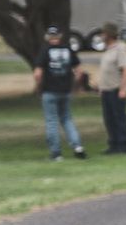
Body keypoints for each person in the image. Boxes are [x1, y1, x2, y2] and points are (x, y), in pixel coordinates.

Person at [32, 26, 87, 161]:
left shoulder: (45, 50)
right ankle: (77, 146)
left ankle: (56, 153)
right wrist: (75, 86)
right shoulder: (68, 49)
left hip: (50, 91)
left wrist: (39, 87)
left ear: (48, 37)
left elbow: (38, 74)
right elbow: (79, 72)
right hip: (65, 91)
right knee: (67, 119)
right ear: (60, 36)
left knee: (51, 121)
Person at [97, 22, 126, 154]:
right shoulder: (108, 49)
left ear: (109, 34)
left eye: (103, 33)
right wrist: (101, 87)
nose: (101, 35)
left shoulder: (120, 48)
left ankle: (123, 144)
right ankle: (113, 144)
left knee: (119, 118)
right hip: (106, 90)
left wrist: (123, 89)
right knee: (109, 119)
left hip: (116, 89)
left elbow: (125, 69)